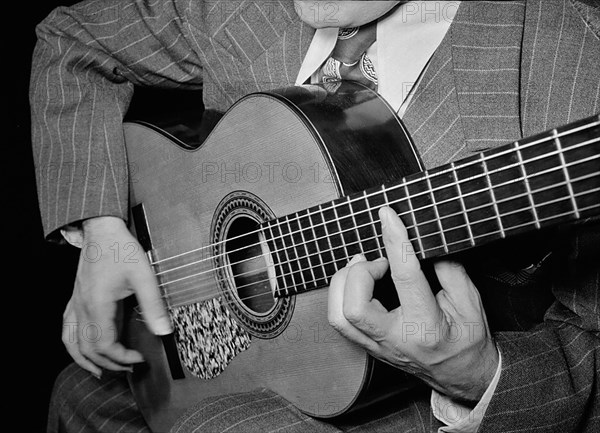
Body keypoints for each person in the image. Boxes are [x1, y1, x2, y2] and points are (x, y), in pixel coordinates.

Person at [29, 0, 599, 432]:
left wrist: (478, 375)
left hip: (414, 410)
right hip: (230, 361)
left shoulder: (577, 60)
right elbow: (73, 42)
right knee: (77, 393)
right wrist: (101, 227)